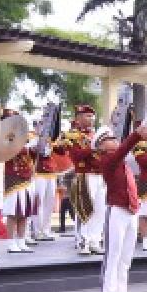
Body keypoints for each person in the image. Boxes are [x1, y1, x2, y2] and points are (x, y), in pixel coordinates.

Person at [96, 122, 147, 292]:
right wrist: (136, 135)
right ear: (101, 146)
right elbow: (122, 150)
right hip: (117, 211)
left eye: (114, 137)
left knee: (125, 259)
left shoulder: (122, 161)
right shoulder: (107, 160)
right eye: (108, 139)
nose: (114, 140)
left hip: (131, 211)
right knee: (112, 257)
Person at [53, 104, 105, 256]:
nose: (91, 119)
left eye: (91, 116)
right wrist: (94, 148)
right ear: (78, 118)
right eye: (87, 116)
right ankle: (83, 241)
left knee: (99, 210)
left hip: (99, 175)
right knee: (85, 209)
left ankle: (95, 241)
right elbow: (76, 156)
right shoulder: (72, 135)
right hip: (84, 175)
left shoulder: (96, 134)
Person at [1, 110, 37, 254]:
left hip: (27, 177)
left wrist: (37, 147)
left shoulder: (24, 136)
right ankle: (11, 242)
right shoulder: (3, 136)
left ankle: (21, 241)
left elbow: (32, 154)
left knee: (24, 212)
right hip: (14, 178)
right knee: (13, 211)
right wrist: (27, 146)